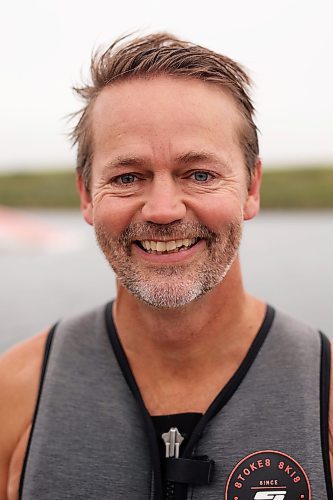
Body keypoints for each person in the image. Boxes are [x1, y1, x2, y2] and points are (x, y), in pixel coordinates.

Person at [0, 33, 331, 500]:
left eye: (200, 174)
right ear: (87, 196)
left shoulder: (326, 392)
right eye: (127, 176)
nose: (162, 210)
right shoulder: (16, 392)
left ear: (252, 188)